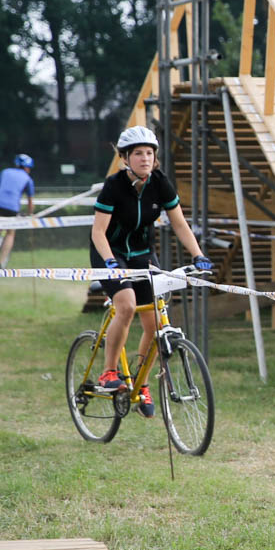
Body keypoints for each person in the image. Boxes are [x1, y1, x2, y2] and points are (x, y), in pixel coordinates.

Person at [90, 127, 212, 419]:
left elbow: (179, 223)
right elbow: (98, 232)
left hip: (143, 255)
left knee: (155, 323)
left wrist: (198, 254)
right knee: (127, 305)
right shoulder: (114, 185)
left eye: (149, 153)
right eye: (138, 153)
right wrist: (109, 261)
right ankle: (109, 372)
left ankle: (141, 384)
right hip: (110, 252)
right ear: (125, 158)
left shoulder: (160, 183)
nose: (145, 158)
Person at [0, 154, 37, 268]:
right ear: (26, 168)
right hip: (12, 208)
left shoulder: (5, 172)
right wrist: (30, 214)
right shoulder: (28, 179)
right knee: (10, 233)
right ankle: (1, 262)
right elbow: (30, 202)